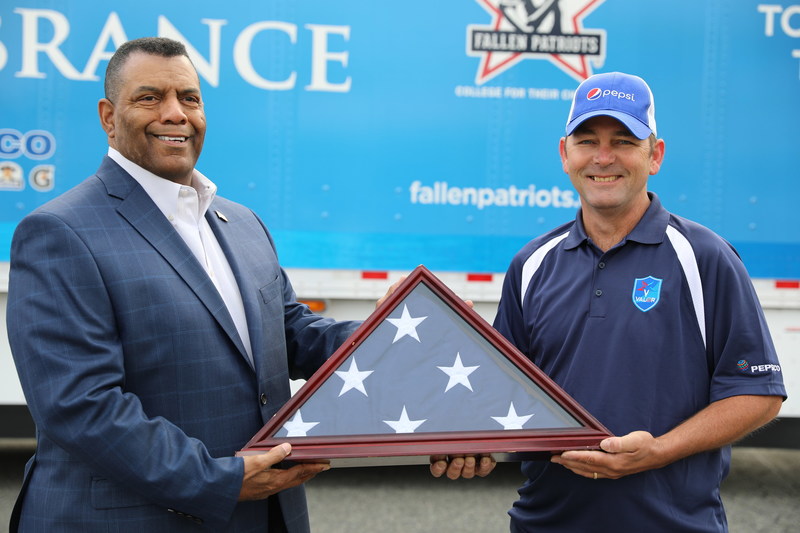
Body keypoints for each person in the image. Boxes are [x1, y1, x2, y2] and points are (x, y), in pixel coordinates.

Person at [6, 37, 490, 533]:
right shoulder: (60, 232)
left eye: (189, 98)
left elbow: (291, 335)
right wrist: (218, 479)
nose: (175, 114)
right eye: (149, 97)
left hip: (263, 513)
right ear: (109, 117)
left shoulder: (241, 222)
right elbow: (79, 404)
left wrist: (386, 334)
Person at [492, 72, 785, 532]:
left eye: (624, 141)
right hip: (543, 523)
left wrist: (657, 452)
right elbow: (500, 393)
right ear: (565, 154)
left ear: (655, 156)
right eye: (587, 140)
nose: (603, 158)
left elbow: (756, 392)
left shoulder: (705, 257)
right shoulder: (530, 264)